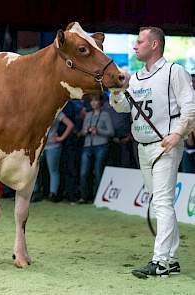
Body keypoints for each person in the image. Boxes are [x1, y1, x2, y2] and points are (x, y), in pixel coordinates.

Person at [110, 27, 195, 278]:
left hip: (165, 146)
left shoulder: (174, 71)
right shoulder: (135, 78)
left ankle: (160, 261)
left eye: (139, 41)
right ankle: (172, 259)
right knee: (160, 205)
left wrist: (177, 134)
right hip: (142, 147)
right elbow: (123, 108)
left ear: (155, 45)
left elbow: (189, 107)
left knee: (162, 203)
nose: (135, 46)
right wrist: (117, 89)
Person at [78, 93, 114, 204]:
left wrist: (98, 131)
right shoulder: (88, 115)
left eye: (95, 100)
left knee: (98, 172)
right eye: (91, 101)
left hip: (101, 145)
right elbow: (83, 131)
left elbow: (111, 132)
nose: (93, 103)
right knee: (84, 173)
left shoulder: (105, 115)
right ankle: (84, 197)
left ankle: (97, 198)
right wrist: (85, 131)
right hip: (87, 145)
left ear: (100, 102)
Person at [32, 112, 74, 202]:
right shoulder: (38, 111)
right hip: (40, 146)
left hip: (52, 146)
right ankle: (37, 191)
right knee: (36, 169)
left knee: (53, 170)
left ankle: (52, 193)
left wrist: (61, 138)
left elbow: (70, 125)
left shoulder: (57, 111)